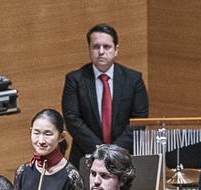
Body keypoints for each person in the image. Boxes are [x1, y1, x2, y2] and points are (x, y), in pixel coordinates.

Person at [62, 23, 149, 169]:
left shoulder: (133, 79)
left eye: (106, 47)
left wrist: (114, 152)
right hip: (86, 156)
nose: (101, 51)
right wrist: (100, 152)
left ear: (116, 50)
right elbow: (72, 120)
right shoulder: (75, 80)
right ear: (89, 49)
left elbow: (139, 120)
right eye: (96, 47)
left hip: (123, 158)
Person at [12, 109, 88, 190]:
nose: (41, 140)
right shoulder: (22, 172)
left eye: (48, 134)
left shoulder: (72, 176)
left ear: (61, 136)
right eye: (36, 133)